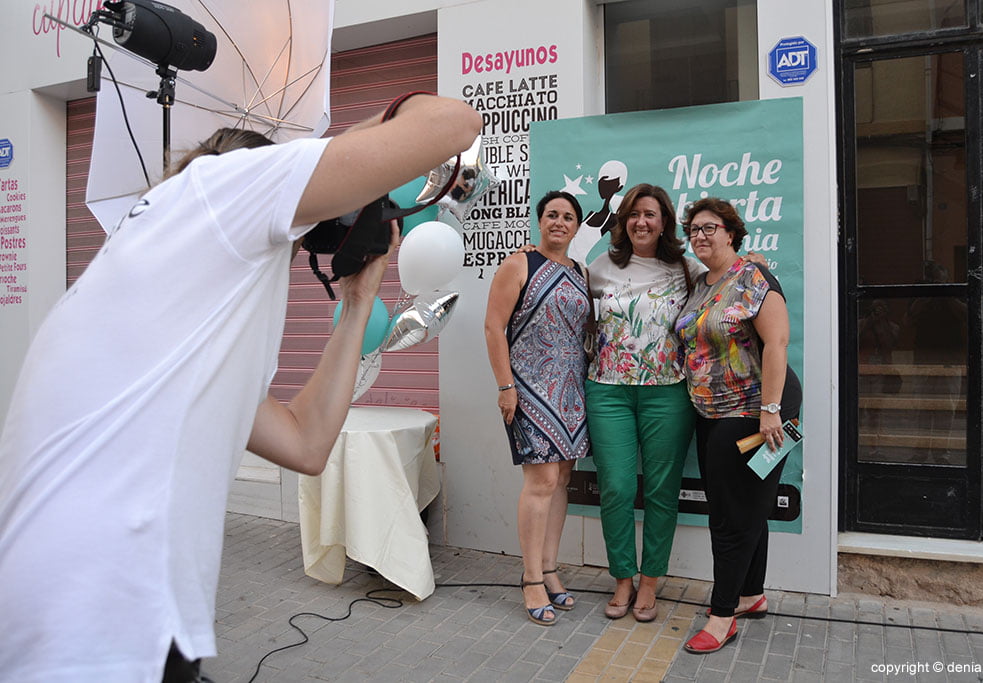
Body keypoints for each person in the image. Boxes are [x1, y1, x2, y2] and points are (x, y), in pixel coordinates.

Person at [0, 94, 481, 682]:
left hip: (119, 623)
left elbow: (305, 443)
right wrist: (348, 156)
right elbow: (452, 123)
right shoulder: (220, 183)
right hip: (95, 625)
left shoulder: (181, 316)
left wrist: (357, 303)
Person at [674, 197, 802, 654]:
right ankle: (751, 595)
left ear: (732, 232)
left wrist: (771, 410)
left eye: (710, 227)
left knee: (731, 518)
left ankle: (722, 615)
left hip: (750, 411)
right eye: (694, 229)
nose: (701, 235)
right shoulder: (702, 283)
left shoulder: (752, 277)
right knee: (744, 508)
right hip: (710, 412)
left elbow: (778, 341)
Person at [585, 183, 701, 623]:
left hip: (668, 392)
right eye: (634, 214)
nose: (641, 222)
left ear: (665, 222)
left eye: (650, 214)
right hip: (608, 390)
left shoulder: (687, 270)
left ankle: (651, 581)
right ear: (623, 221)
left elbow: (731, 285)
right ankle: (622, 579)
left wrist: (757, 264)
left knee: (661, 490)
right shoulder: (599, 267)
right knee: (616, 487)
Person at [484, 190, 592, 626]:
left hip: (571, 389)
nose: (559, 222)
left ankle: (550, 568)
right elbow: (493, 327)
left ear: (577, 226)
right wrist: (505, 386)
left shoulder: (581, 271)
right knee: (542, 478)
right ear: (539, 221)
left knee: (563, 476)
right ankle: (530, 578)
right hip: (528, 388)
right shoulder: (519, 263)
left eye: (567, 217)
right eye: (551, 215)